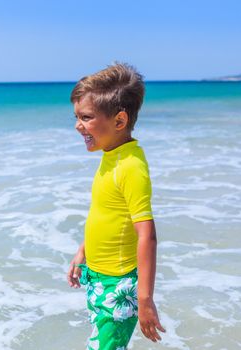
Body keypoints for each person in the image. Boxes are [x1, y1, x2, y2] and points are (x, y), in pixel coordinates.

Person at [67, 62, 166, 350]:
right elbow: (105, 213)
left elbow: (147, 235)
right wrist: (82, 250)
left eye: (86, 117)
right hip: (98, 276)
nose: (78, 125)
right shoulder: (110, 155)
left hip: (119, 284)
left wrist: (145, 300)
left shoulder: (131, 166)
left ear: (119, 121)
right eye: (76, 117)